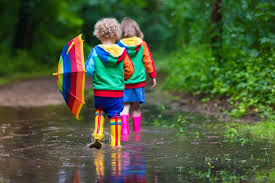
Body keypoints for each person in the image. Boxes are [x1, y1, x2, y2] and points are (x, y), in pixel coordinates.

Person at [85, 18, 134, 148]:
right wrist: (123, 78)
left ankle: (98, 135)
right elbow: (130, 70)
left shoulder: (95, 51)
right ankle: (116, 143)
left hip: (100, 91)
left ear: (99, 35)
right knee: (115, 115)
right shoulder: (122, 52)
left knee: (100, 110)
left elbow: (89, 70)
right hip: (116, 91)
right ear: (117, 35)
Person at [117, 18, 157, 135]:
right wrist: (152, 76)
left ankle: (124, 131)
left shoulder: (119, 45)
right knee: (136, 108)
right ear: (137, 30)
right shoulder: (142, 44)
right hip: (138, 82)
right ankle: (137, 132)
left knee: (124, 107)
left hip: (124, 81)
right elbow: (148, 61)